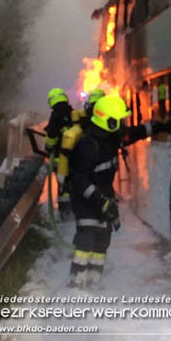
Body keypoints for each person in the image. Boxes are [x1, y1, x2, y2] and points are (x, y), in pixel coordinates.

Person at [68, 95, 131, 288]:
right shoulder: (88, 145)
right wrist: (101, 200)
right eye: (119, 121)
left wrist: (110, 205)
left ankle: (95, 281)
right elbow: (78, 180)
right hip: (86, 203)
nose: (122, 125)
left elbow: (105, 181)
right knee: (86, 241)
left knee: (103, 241)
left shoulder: (109, 142)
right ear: (108, 122)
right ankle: (76, 283)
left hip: (102, 200)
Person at [45, 88, 74, 218]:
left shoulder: (55, 116)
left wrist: (48, 147)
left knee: (64, 186)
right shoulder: (73, 113)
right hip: (77, 157)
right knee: (77, 182)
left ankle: (65, 212)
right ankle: (78, 209)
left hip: (61, 159)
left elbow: (51, 136)